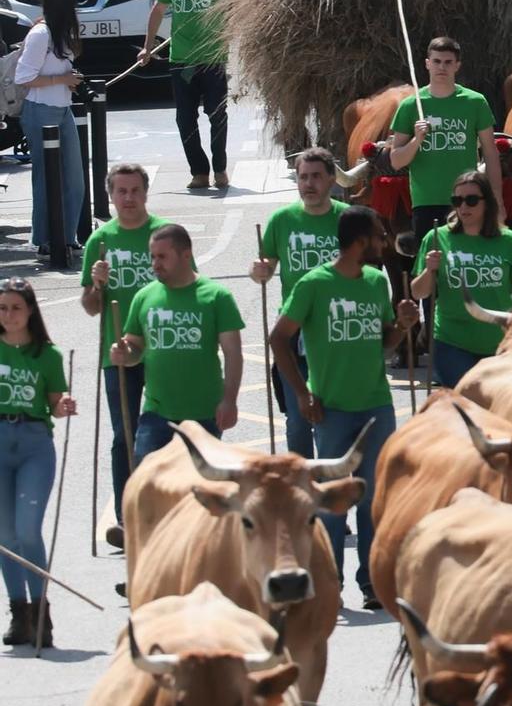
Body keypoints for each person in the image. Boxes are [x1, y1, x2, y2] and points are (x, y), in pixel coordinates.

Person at [267, 206, 414, 611]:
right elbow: (279, 339)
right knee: (332, 503)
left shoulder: (375, 283)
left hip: (376, 407)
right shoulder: (314, 284)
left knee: (371, 501)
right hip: (330, 409)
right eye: (379, 236)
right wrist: (301, 393)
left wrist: (402, 325)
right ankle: (327, 581)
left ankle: (371, 583)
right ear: (360, 241)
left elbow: (385, 343)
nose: (384, 244)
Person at [81, 163, 170, 543]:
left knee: (168, 431)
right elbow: (89, 306)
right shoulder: (100, 241)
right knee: (125, 436)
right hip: (117, 352)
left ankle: (168, 509)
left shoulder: (164, 236)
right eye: (122, 191)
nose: (129, 198)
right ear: (111, 196)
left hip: (165, 350)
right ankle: (126, 517)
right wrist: (97, 285)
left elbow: (189, 285)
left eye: (135, 190)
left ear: (146, 193)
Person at [111, 224, 243, 464]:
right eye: (152, 257)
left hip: (204, 415)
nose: (155, 263)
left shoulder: (217, 296)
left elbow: (233, 354)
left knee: (201, 490)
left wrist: (229, 400)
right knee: (148, 486)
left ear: (186, 255)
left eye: (162, 256)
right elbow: (134, 347)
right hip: (157, 414)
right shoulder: (144, 296)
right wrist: (124, 353)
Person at [248, 148, 347, 457]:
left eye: (316, 176)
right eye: (303, 177)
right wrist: (259, 270)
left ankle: (332, 488)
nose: (309, 184)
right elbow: (266, 266)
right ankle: (302, 493)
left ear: (331, 179)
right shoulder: (282, 219)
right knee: (298, 421)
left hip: (337, 329)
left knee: (335, 418)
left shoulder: (347, 218)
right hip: (293, 330)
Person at [0, 282, 75, 648]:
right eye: (2, 308)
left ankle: (41, 610)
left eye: (15, 308)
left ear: (30, 310)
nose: (8, 315)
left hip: (33, 444)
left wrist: (64, 406)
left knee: (28, 530)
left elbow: (55, 403)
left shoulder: (47, 354)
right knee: (6, 537)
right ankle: (20, 614)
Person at [410, 170, 512, 388]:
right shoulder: (436, 237)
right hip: (451, 342)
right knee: (469, 398)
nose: (463, 207)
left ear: (488, 202)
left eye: (471, 200)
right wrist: (429, 270)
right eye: (457, 200)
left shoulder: (509, 241)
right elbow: (418, 292)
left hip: (500, 342)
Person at [388, 36, 505, 244]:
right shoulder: (410, 106)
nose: (442, 67)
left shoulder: (475, 102)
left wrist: (497, 200)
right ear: (427, 64)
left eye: (448, 62)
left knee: (467, 258)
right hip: (426, 202)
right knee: (432, 266)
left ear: (457, 65)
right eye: (437, 61)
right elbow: (396, 161)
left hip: (468, 199)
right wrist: (416, 140)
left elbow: (490, 152)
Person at [138, 0, 231, 191]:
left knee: (217, 113)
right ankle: (199, 171)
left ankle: (220, 167)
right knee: (184, 118)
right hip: (181, 58)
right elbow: (158, 10)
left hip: (212, 57)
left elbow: (238, 6)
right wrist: (147, 48)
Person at [14, 0, 84, 262]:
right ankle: (44, 238)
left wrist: (68, 81)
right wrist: (61, 79)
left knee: (74, 178)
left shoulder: (63, 31)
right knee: (46, 178)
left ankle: (67, 235)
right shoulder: (41, 34)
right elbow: (23, 77)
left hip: (62, 110)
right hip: (40, 112)